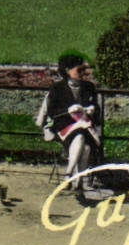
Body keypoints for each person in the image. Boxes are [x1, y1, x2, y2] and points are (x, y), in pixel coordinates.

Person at [36, 55, 106, 201]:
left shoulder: (88, 87)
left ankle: (73, 179)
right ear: (67, 70)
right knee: (80, 137)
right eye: (79, 70)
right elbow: (52, 113)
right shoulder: (57, 88)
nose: (82, 73)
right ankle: (76, 179)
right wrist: (68, 110)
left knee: (84, 144)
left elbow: (97, 111)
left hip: (85, 125)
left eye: (83, 70)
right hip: (64, 125)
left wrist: (92, 109)